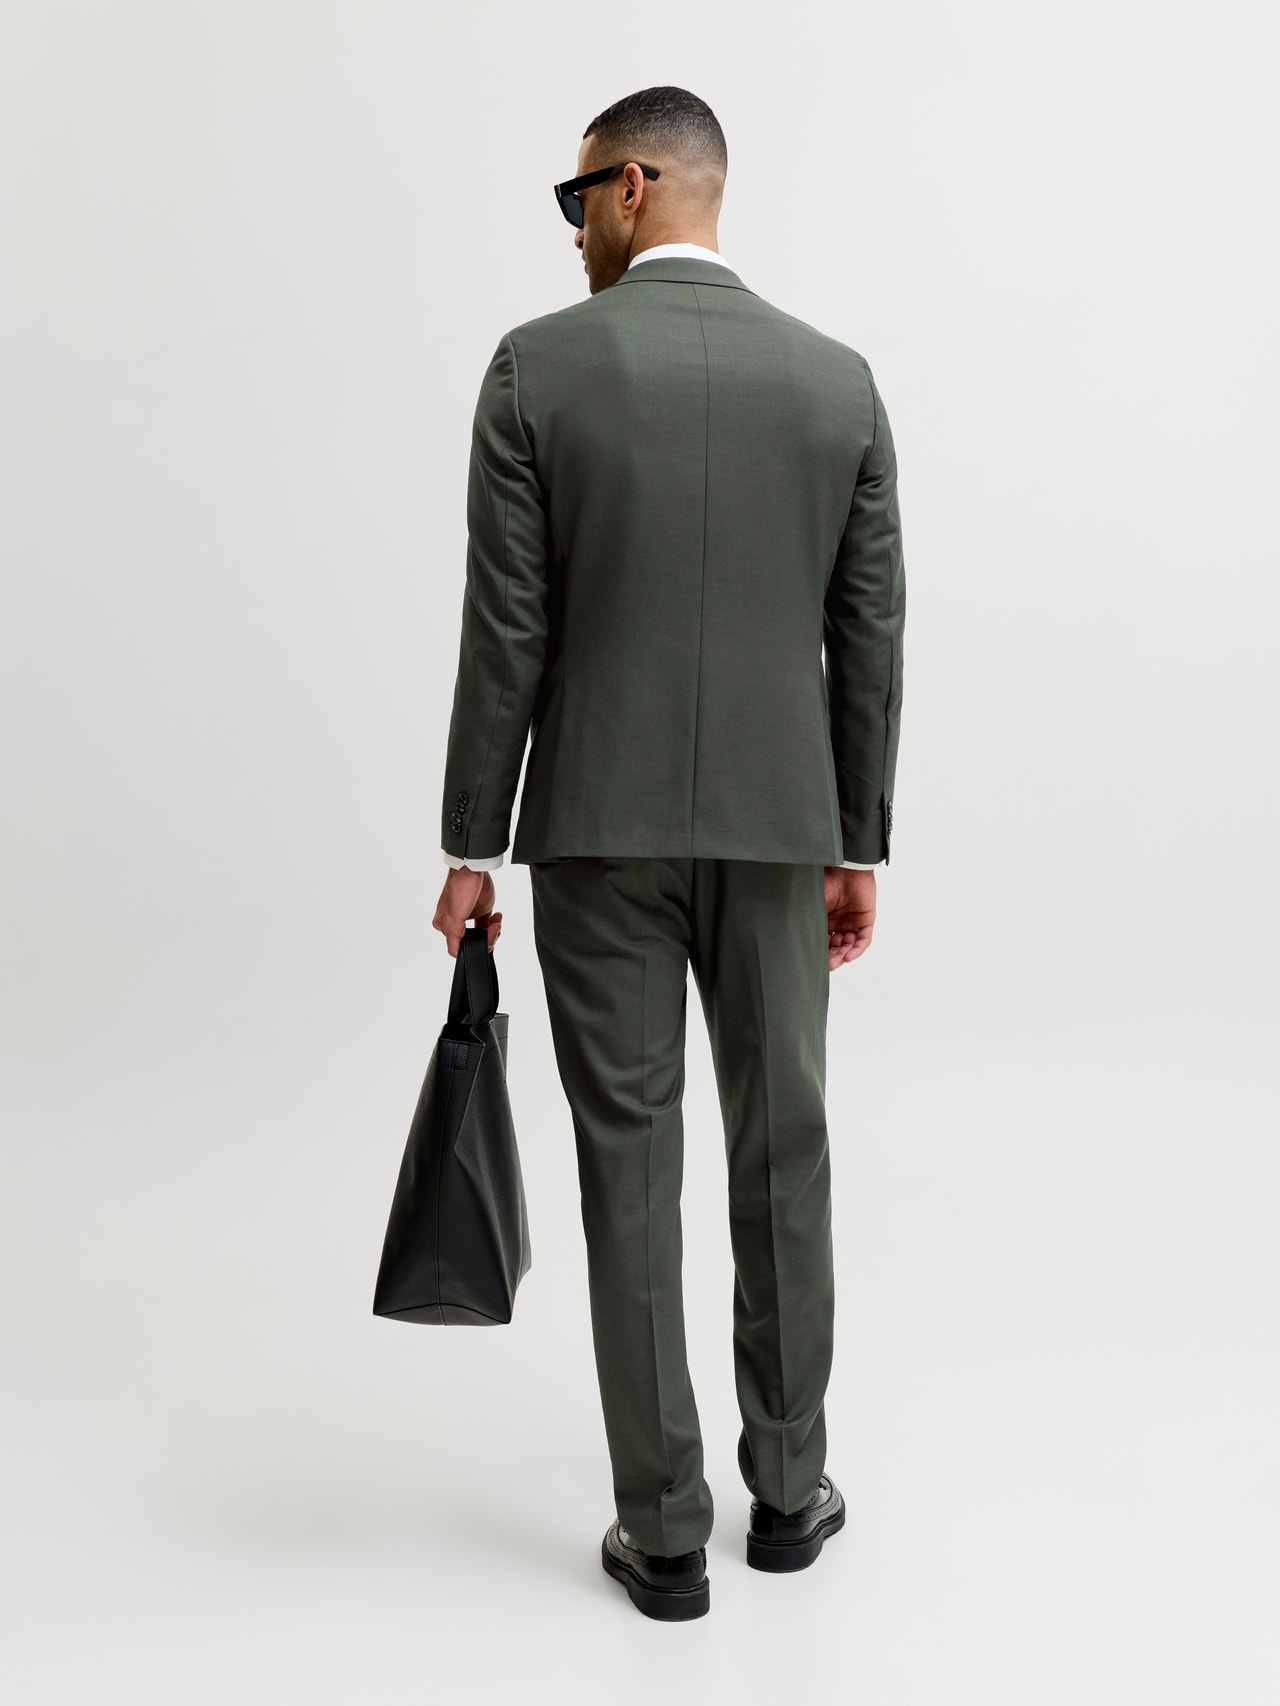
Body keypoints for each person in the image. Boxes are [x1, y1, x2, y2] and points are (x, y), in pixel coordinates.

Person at [431, 84, 906, 1621]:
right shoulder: (837, 384)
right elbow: (868, 633)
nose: (574, 230)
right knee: (785, 1149)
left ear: (634, 186)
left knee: (628, 1167)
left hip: (596, 828)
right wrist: (855, 839)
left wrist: (472, 843)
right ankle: (792, 1489)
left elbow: (507, 627)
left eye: (579, 200)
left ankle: (665, 1529)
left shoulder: (538, 370)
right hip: (781, 827)